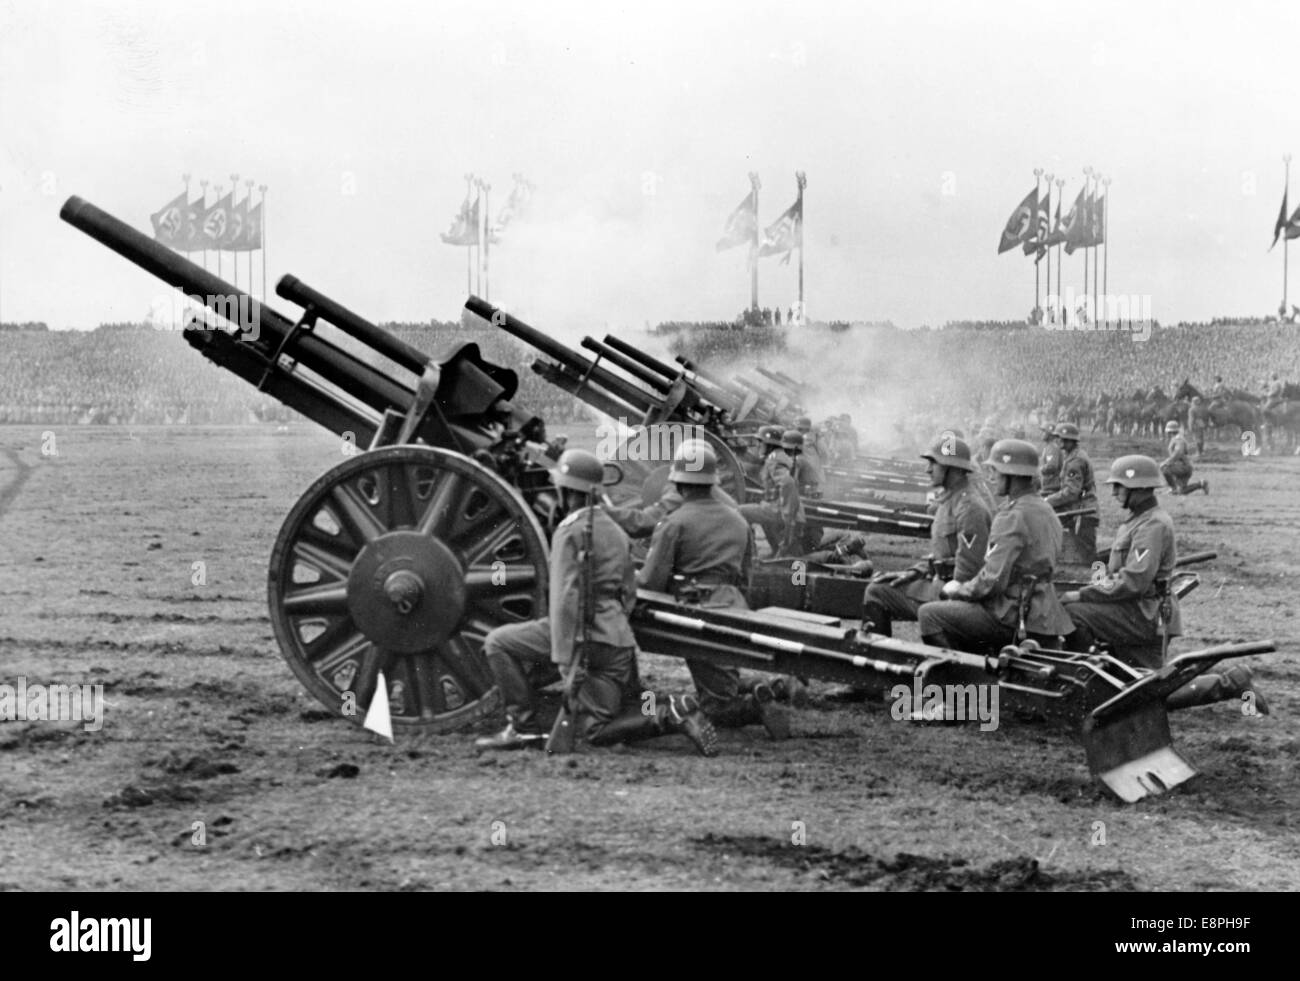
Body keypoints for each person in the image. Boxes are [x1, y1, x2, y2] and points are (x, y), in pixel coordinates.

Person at [475, 449, 718, 755]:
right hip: (617, 640)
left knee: (498, 642)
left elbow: (564, 601)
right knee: (621, 707)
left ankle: (522, 729)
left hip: (583, 639)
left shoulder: (569, 531)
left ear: (565, 491)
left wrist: (566, 660)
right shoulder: (617, 531)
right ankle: (672, 708)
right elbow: (629, 592)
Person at [1059, 455, 1266, 711]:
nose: (1113, 492)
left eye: (1119, 486)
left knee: (1075, 615)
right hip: (1141, 611)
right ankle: (1230, 682)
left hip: (1145, 614)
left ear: (1140, 489)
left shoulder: (1152, 524)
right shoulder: (1139, 520)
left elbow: (1133, 581)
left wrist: (1083, 595)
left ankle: (1088, 687)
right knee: (1148, 689)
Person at [638, 441, 789, 739]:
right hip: (734, 605)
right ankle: (764, 688)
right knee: (719, 677)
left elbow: (651, 581)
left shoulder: (673, 522)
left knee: (715, 707)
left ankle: (756, 707)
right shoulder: (738, 519)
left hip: (696, 611)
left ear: (679, 484)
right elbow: (747, 574)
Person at [917, 439, 1073, 652]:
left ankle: (965, 680)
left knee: (929, 614)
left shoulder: (1012, 516)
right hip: (1045, 612)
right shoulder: (1045, 510)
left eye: (997, 471)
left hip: (1014, 613)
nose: (993, 477)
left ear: (1013, 476)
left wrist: (960, 590)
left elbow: (993, 580)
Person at [861, 433, 991, 637]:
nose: (927, 469)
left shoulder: (969, 507)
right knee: (878, 589)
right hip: (940, 584)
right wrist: (915, 571)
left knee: (878, 593)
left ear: (953, 469)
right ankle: (881, 654)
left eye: (934, 463)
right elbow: (943, 554)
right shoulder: (950, 499)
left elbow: (969, 570)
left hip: (954, 594)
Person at [738, 428, 805, 558]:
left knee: (738, 512)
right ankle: (773, 552)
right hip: (779, 506)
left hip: (778, 509)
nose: (758, 446)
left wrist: (787, 516)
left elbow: (787, 483)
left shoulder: (774, 460)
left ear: (769, 444)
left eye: (761, 442)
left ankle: (750, 555)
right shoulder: (779, 456)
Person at [1044, 422, 1100, 565]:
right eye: (1058, 438)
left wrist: (1048, 500)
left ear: (1071, 441)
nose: (1059, 441)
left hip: (1083, 512)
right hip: (1078, 510)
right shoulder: (1071, 456)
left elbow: (1071, 492)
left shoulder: (1076, 460)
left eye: (1062, 438)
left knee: (1088, 558)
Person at [1159, 420, 1207, 495]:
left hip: (1183, 467)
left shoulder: (1178, 439)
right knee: (1180, 492)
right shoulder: (1176, 438)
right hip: (1183, 467)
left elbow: (1178, 452)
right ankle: (1201, 484)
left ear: (1169, 432)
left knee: (1164, 469)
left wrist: (1167, 462)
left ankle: (1173, 488)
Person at [1038, 421, 1062, 495]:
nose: (1041, 434)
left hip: (1052, 486)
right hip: (1050, 484)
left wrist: (1039, 470)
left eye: (1044, 432)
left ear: (1049, 434)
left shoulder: (1052, 447)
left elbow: (1051, 466)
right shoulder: (1050, 446)